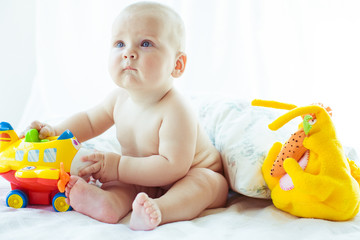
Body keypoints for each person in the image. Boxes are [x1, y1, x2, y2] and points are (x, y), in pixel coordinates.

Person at [21, 2, 228, 231]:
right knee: (121, 184)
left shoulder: (177, 109)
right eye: (119, 43)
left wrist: (117, 166)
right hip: (140, 175)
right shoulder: (119, 99)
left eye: (146, 43)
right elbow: (89, 122)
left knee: (205, 184)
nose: (128, 52)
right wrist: (54, 132)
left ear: (177, 65)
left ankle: (159, 210)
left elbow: (173, 167)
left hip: (190, 174)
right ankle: (107, 204)